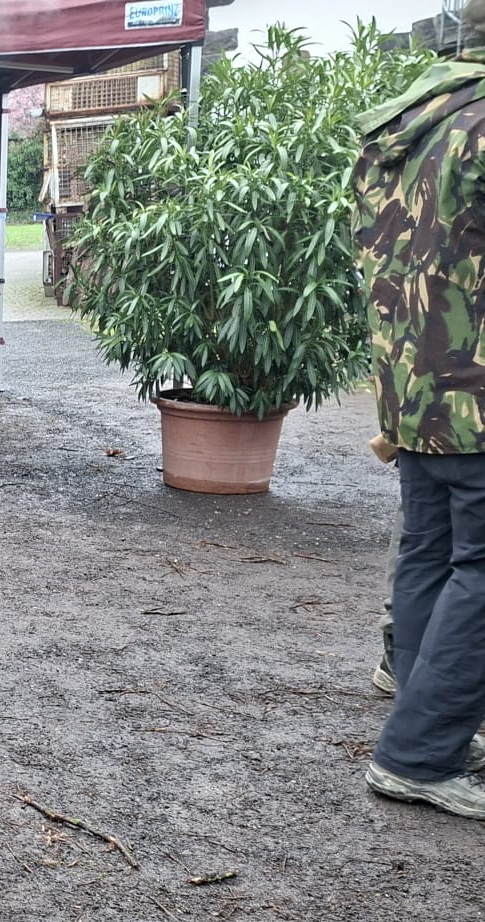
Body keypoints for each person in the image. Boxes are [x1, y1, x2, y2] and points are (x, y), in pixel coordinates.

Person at [352, 9, 485, 819]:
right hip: (478, 392)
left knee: (432, 551)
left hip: (415, 386)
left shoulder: (408, 122)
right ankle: (421, 753)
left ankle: (425, 704)